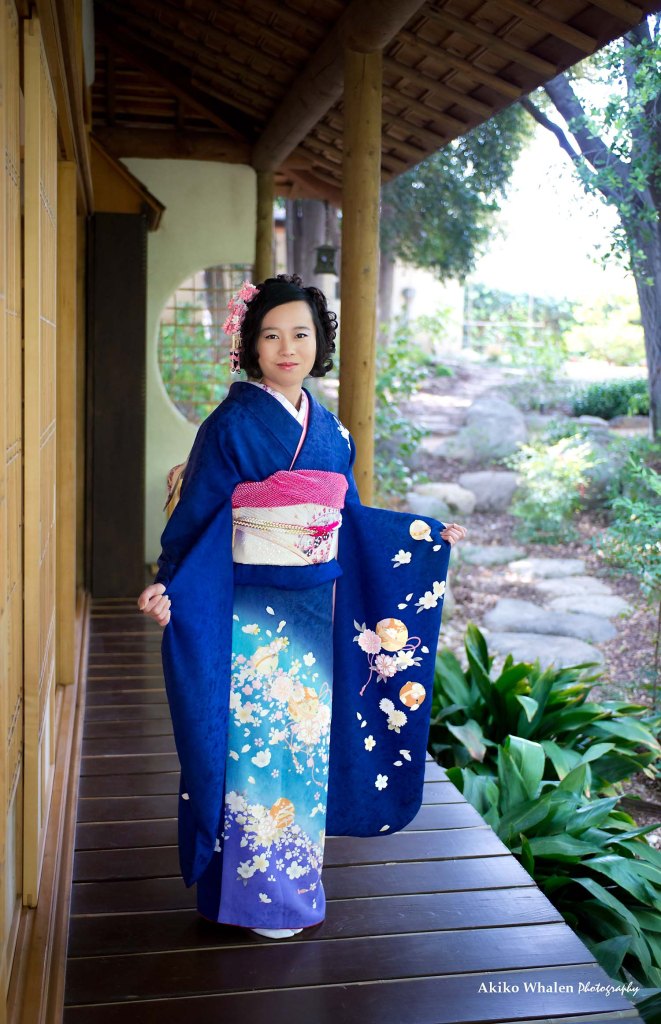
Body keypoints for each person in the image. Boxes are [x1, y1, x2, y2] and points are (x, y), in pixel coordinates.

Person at [137, 274, 467, 941]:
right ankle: (251, 897)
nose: (287, 348)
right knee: (254, 743)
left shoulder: (332, 431)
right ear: (250, 347)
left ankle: (293, 885)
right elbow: (197, 514)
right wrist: (169, 581)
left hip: (316, 608)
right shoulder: (232, 424)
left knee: (304, 742)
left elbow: (350, 518)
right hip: (249, 607)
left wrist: (422, 536)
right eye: (271, 335)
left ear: (320, 344)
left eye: (301, 334)